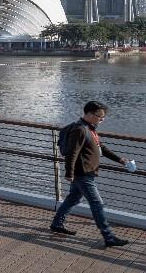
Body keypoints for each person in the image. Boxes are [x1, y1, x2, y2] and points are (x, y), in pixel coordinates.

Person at [50, 100, 136, 247]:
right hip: (83, 174)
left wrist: (120, 160)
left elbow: (100, 147)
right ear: (89, 114)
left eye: (103, 117)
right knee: (97, 204)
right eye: (100, 117)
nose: (102, 120)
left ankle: (57, 223)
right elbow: (72, 153)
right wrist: (69, 173)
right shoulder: (80, 130)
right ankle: (109, 237)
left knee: (72, 199)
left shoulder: (90, 128)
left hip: (86, 173)